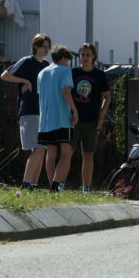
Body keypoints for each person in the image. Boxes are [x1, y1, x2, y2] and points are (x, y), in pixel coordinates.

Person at [0, 33, 55, 190]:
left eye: (48, 47)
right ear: (35, 46)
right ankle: (26, 183)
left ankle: (33, 185)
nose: (46, 49)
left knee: (41, 149)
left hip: (43, 112)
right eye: (43, 46)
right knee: (37, 148)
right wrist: (25, 81)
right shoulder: (26, 61)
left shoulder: (47, 65)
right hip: (29, 111)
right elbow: (5, 75)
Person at [37, 45, 78, 193]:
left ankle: (51, 186)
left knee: (51, 152)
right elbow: (65, 90)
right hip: (61, 118)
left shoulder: (42, 73)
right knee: (67, 152)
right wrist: (75, 110)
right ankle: (56, 185)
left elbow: (41, 94)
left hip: (45, 120)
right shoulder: (65, 71)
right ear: (63, 57)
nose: (67, 63)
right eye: (67, 60)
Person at [71, 43, 111, 193]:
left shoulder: (99, 75)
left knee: (88, 154)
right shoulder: (73, 72)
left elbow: (107, 97)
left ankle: (86, 188)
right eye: (83, 54)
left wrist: (101, 116)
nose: (85, 57)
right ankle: (59, 185)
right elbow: (66, 92)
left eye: (88, 55)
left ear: (93, 56)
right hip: (73, 119)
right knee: (67, 153)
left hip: (91, 120)